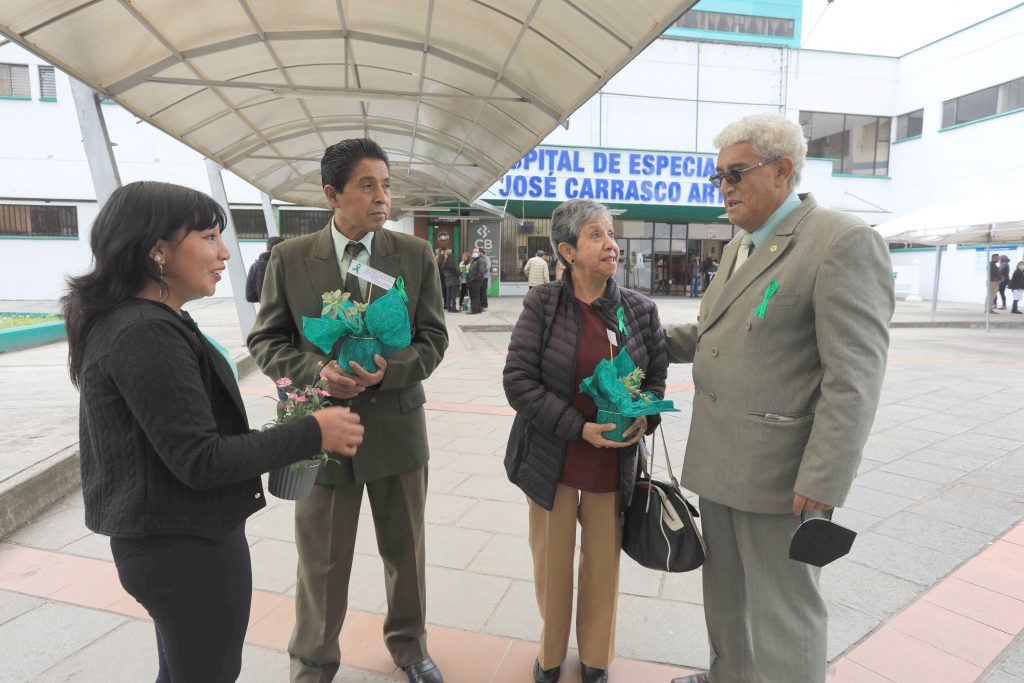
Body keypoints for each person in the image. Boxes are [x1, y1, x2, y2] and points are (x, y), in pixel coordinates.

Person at [63, 181, 364, 683]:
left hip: (175, 540)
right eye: (208, 236)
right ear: (156, 250)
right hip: (183, 550)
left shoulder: (150, 320)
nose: (224, 252)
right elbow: (200, 460)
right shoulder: (143, 332)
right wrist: (313, 431)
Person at [664, 113, 894, 683]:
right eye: (718, 177)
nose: (725, 188)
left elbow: (855, 376)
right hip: (720, 463)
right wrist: (642, 338)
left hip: (781, 478)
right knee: (726, 598)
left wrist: (823, 478)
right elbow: (716, 332)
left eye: (736, 173)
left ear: (783, 170)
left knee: (783, 612)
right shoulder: (741, 247)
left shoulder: (840, 242)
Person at [247, 138, 449, 683]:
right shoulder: (290, 259)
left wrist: (393, 369)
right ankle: (312, 662)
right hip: (322, 433)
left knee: (405, 551)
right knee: (322, 560)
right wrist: (317, 373)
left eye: (386, 184)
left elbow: (432, 339)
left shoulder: (413, 255)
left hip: (398, 432)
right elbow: (266, 341)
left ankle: (410, 647)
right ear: (332, 194)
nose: (382, 195)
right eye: (367, 184)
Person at [503, 198, 668, 683]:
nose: (611, 245)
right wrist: (578, 428)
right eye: (596, 235)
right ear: (567, 251)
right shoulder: (543, 304)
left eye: (611, 234)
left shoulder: (640, 310)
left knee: (602, 566)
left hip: (611, 466)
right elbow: (518, 381)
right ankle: (550, 656)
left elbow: (656, 379)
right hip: (553, 461)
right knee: (553, 567)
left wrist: (644, 419)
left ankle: (596, 656)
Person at [245, 236, 286, 302]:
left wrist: (264, 299)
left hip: (265, 311)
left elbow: (250, 297)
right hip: (285, 310)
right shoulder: (285, 265)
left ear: (267, 249)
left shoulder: (254, 267)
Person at [439, 248, 461, 312]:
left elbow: (442, 272)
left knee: (448, 295)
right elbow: (458, 273)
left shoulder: (444, 266)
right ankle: (453, 308)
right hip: (454, 281)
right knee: (453, 295)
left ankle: (449, 308)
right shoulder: (454, 266)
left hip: (447, 281)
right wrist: (462, 270)